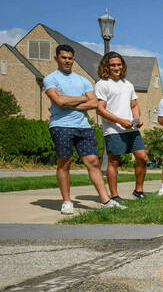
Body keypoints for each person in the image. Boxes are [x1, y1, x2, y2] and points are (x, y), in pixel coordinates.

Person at [43, 44, 122, 215]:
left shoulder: (83, 80)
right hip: (61, 126)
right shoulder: (51, 79)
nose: (67, 61)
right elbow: (59, 102)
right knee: (65, 162)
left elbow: (95, 102)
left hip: (84, 127)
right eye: (63, 58)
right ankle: (67, 201)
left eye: (70, 58)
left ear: (74, 59)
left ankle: (105, 200)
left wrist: (72, 102)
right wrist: (81, 99)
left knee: (93, 161)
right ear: (56, 58)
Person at [94, 52, 148, 201]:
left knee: (142, 157)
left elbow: (134, 105)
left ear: (122, 66)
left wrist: (137, 119)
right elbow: (100, 109)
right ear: (107, 66)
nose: (116, 67)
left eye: (119, 64)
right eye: (112, 65)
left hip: (131, 129)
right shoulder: (102, 84)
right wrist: (119, 121)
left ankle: (138, 190)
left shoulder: (128, 84)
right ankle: (115, 196)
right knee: (114, 161)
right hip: (113, 130)